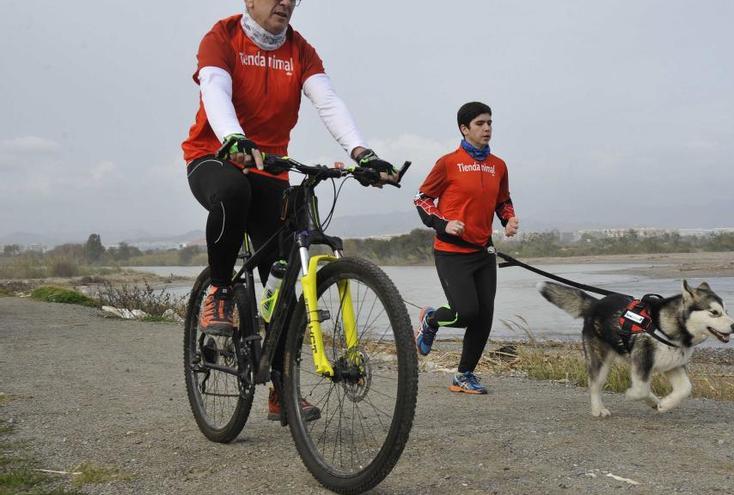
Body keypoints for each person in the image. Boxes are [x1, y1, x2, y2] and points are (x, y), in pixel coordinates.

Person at [181, 0, 397, 421]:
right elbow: (214, 89)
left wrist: (362, 152)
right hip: (215, 155)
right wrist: (233, 137)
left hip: (270, 167)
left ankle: (281, 389)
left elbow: (327, 101)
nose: (285, 2)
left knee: (284, 278)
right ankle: (220, 290)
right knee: (232, 192)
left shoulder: (300, 50)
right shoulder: (221, 37)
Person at [413, 101, 519, 394]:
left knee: (484, 317)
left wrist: (508, 219)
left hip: (483, 252)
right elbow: (422, 199)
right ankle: (431, 319)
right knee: (466, 312)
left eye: (490, 123)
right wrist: (443, 223)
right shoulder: (448, 163)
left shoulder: (498, 165)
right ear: (464, 128)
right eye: (480, 124)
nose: (487, 129)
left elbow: (502, 200)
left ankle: (463, 376)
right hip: (451, 252)